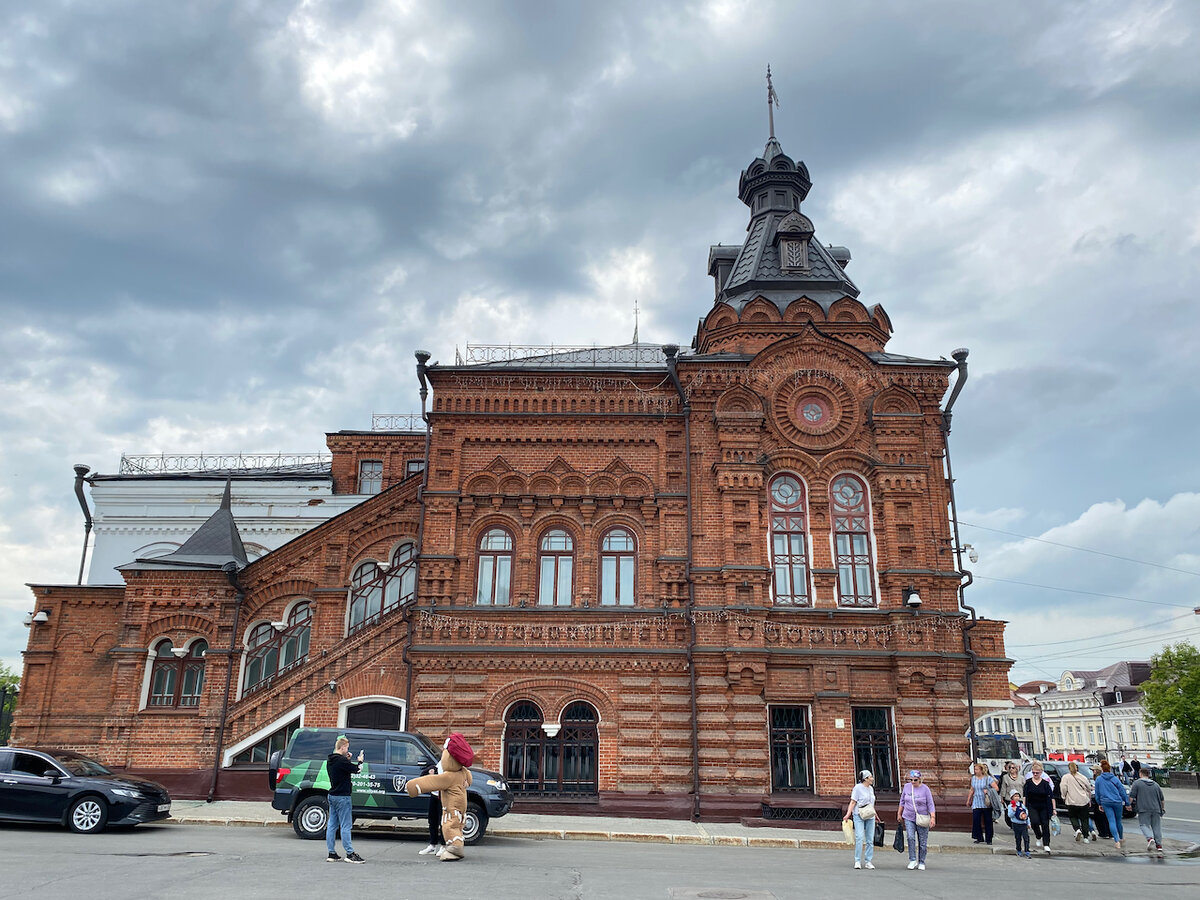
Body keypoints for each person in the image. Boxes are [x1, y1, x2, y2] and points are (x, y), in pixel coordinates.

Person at [325, 735, 366, 864]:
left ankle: (331, 853)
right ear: (342, 747)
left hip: (332, 795)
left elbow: (342, 770)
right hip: (343, 796)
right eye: (347, 748)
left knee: (332, 824)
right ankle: (350, 853)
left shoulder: (330, 760)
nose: (348, 750)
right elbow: (357, 770)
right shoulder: (342, 761)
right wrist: (360, 761)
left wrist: (347, 759)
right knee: (346, 825)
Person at [897, 769, 936, 871]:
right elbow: (902, 801)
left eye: (915, 780)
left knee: (922, 841)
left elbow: (930, 804)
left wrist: (932, 817)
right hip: (908, 816)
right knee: (910, 837)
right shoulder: (906, 787)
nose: (913, 782)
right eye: (911, 780)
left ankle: (922, 861)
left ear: (919, 779)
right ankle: (912, 859)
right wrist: (899, 813)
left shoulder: (925, 789)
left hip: (922, 818)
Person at [843, 770, 877, 870]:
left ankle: (868, 861)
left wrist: (876, 814)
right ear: (865, 778)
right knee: (859, 837)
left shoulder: (871, 789)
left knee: (870, 839)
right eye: (870, 777)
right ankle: (857, 860)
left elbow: (871, 803)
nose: (872, 778)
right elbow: (853, 802)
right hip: (859, 815)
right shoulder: (857, 788)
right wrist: (848, 814)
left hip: (870, 815)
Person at [1094, 759, 1131, 850]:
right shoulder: (1115, 779)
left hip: (1106, 802)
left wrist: (1099, 803)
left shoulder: (1099, 779)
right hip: (1117, 802)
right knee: (1118, 821)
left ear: (1102, 769)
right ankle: (1121, 838)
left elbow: (1097, 793)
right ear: (1110, 769)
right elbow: (1122, 791)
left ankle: (1116, 841)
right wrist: (1126, 802)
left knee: (1111, 821)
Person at [1128, 767, 1165, 855]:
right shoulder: (1156, 785)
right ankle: (1159, 845)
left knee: (1143, 825)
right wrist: (1162, 809)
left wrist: (1128, 805)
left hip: (1143, 808)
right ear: (1148, 775)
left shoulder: (1137, 783)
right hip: (1156, 809)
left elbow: (1131, 796)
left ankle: (1149, 838)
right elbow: (1162, 799)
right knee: (1156, 827)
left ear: (1140, 774)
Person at [1023, 762, 1056, 854]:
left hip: (1044, 806)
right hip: (1032, 805)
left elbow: (1051, 797)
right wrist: (1023, 808)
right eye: (1033, 772)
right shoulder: (1028, 783)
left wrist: (1054, 809)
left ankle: (1046, 844)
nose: (1035, 774)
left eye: (1037, 773)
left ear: (1041, 772)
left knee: (1045, 824)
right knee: (1034, 822)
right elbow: (1025, 796)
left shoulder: (1045, 783)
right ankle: (1038, 835)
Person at [1060, 760, 1093, 843]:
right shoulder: (1082, 777)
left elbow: (1063, 788)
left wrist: (1063, 796)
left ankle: (1077, 829)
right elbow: (1089, 787)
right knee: (1084, 819)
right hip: (1083, 800)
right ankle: (1086, 837)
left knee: (1073, 817)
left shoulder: (1066, 777)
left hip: (1071, 801)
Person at [417, 757, 443, 855]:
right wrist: (430, 773)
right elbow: (423, 774)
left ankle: (444, 846)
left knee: (443, 822)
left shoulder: (450, 764)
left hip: (443, 796)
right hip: (434, 794)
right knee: (432, 820)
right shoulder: (439, 764)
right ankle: (433, 845)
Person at [967, 762, 998, 845]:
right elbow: (972, 789)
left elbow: (996, 788)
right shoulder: (973, 778)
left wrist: (988, 791)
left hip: (986, 802)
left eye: (977, 769)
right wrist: (969, 799)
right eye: (974, 769)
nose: (975, 771)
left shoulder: (988, 779)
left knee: (988, 821)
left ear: (981, 770)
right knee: (976, 820)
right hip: (976, 801)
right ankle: (979, 837)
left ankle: (989, 839)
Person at [1008, 788, 1031, 858]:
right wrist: (1014, 810)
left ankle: (1027, 851)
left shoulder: (1021, 805)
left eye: (1018, 796)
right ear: (1012, 797)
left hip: (1023, 824)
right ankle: (1019, 850)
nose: (1017, 797)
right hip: (1016, 824)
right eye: (1015, 796)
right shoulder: (1010, 806)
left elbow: (1026, 814)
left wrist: (1028, 823)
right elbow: (1010, 815)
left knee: (1026, 838)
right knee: (1018, 838)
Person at [998, 761, 1023, 826]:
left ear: (1016, 769)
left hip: (1019, 798)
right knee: (1009, 813)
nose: (1011, 769)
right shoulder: (1005, 777)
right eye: (1010, 768)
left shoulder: (1022, 778)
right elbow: (1003, 788)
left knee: (1018, 812)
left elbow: (1024, 788)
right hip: (1009, 798)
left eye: (1013, 768)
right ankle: (1011, 824)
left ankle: (1017, 824)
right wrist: (1002, 798)